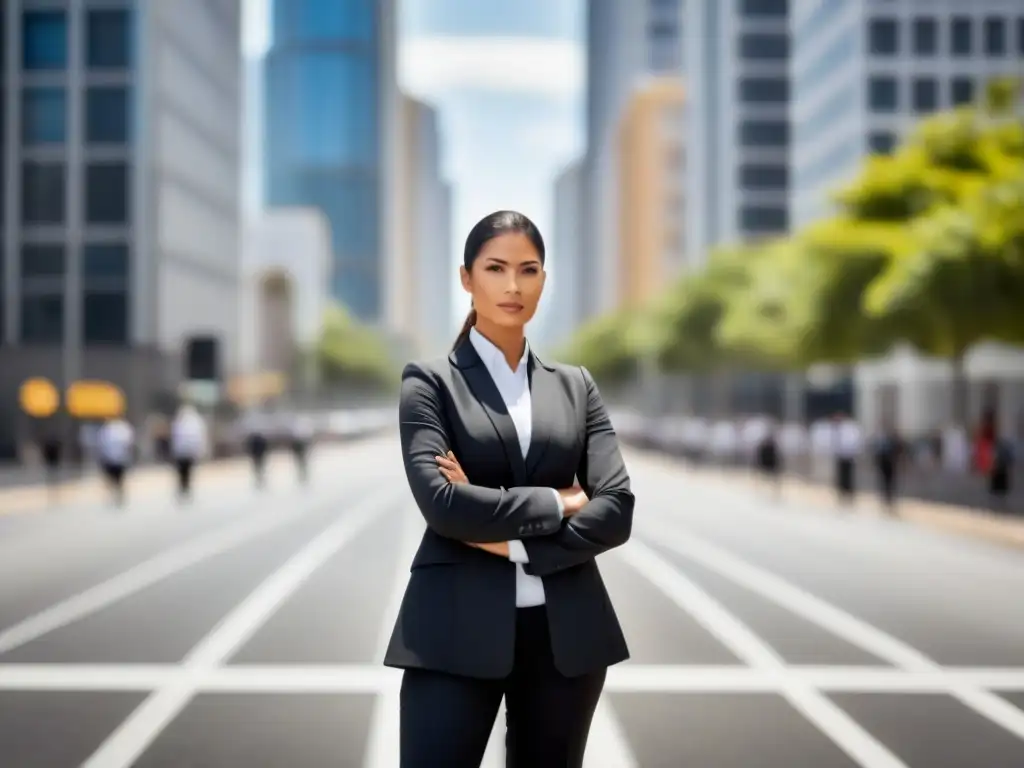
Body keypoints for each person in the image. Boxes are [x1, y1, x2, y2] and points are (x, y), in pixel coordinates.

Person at [385, 210, 635, 767]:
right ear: (467, 278)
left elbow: (616, 509)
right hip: (450, 633)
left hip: (565, 641)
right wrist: (560, 500)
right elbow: (444, 505)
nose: (513, 286)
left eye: (529, 269)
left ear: (545, 279)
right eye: (496, 268)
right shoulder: (428, 382)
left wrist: (512, 542)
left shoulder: (576, 386)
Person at [170, 404, 207, 502]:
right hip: (183, 452)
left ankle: (185, 487)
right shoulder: (180, 423)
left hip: (187, 451)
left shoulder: (193, 423)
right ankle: (183, 488)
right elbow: (175, 438)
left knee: (186, 471)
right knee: (183, 472)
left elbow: (198, 438)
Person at [96, 416, 135, 506]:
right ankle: (116, 495)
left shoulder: (115, 429)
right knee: (116, 479)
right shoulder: (117, 429)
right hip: (116, 459)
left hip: (115, 459)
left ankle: (117, 495)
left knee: (116, 479)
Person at [289, 414, 315, 485]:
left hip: (300, 445)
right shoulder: (302, 427)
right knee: (301, 460)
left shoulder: (299, 427)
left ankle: (302, 470)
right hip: (300, 445)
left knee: (301, 460)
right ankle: (302, 470)